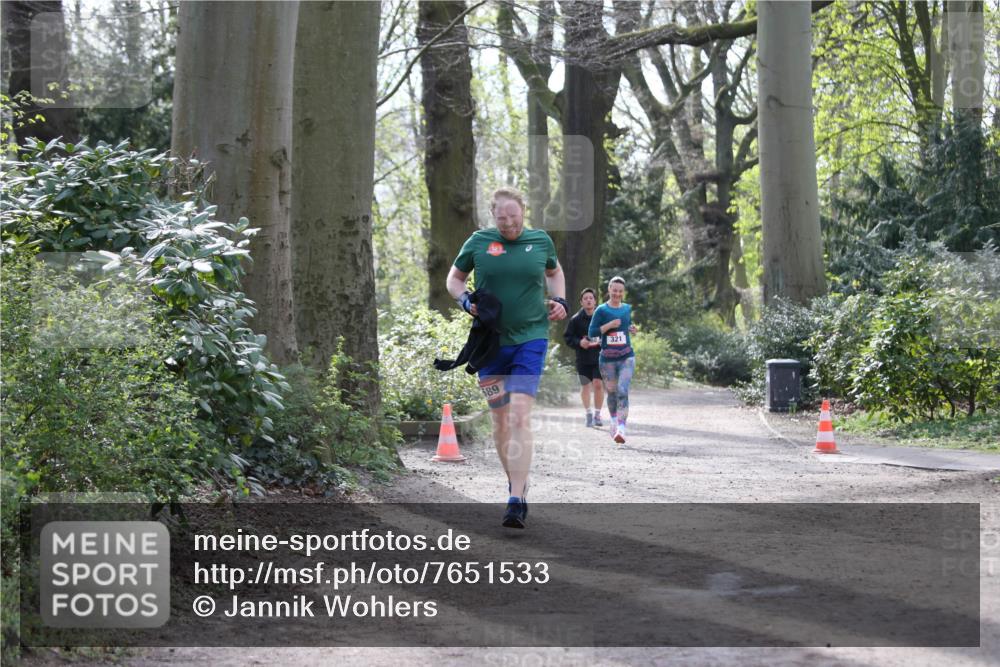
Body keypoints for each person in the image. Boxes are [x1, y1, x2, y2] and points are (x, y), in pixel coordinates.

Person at [446, 187, 568, 529]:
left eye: (514, 217)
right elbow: (454, 279)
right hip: (489, 345)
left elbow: (554, 272)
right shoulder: (478, 242)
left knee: (519, 415)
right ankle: (517, 482)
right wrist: (465, 300)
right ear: (493, 216)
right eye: (502, 218)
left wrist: (561, 300)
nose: (509, 223)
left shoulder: (540, 241)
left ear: (524, 211)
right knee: (499, 419)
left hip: (531, 340)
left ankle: (515, 498)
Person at [588, 276, 637, 444]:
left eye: (620, 291)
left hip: (626, 356)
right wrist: (609, 326)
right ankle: (614, 420)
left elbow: (627, 325)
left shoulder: (627, 308)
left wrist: (631, 328)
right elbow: (592, 333)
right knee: (612, 392)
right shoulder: (601, 310)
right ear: (609, 289)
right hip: (607, 359)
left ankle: (622, 429)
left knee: (623, 390)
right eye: (614, 290)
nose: (617, 294)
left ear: (623, 292)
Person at [563, 288, 605, 428]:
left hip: (599, 357)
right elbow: (568, 337)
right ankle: (588, 413)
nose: (588, 300)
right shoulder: (575, 320)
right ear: (581, 302)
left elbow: (611, 332)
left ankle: (597, 414)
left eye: (591, 298)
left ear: (595, 301)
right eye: (585, 298)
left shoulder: (602, 318)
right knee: (585, 385)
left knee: (598, 384)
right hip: (583, 358)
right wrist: (579, 342)